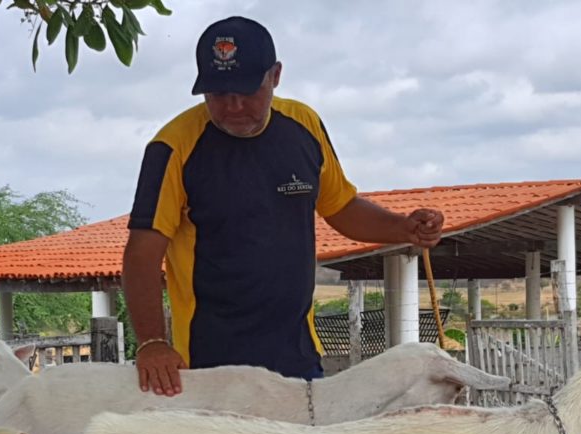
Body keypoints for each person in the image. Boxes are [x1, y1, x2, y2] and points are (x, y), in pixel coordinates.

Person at [122, 15, 444, 396]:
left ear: (275, 75)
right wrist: (152, 343)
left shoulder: (304, 126)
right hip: (208, 367)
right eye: (218, 93)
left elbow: (340, 206)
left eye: (247, 90)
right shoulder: (172, 147)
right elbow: (142, 255)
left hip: (297, 359)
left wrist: (403, 228)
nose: (234, 105)